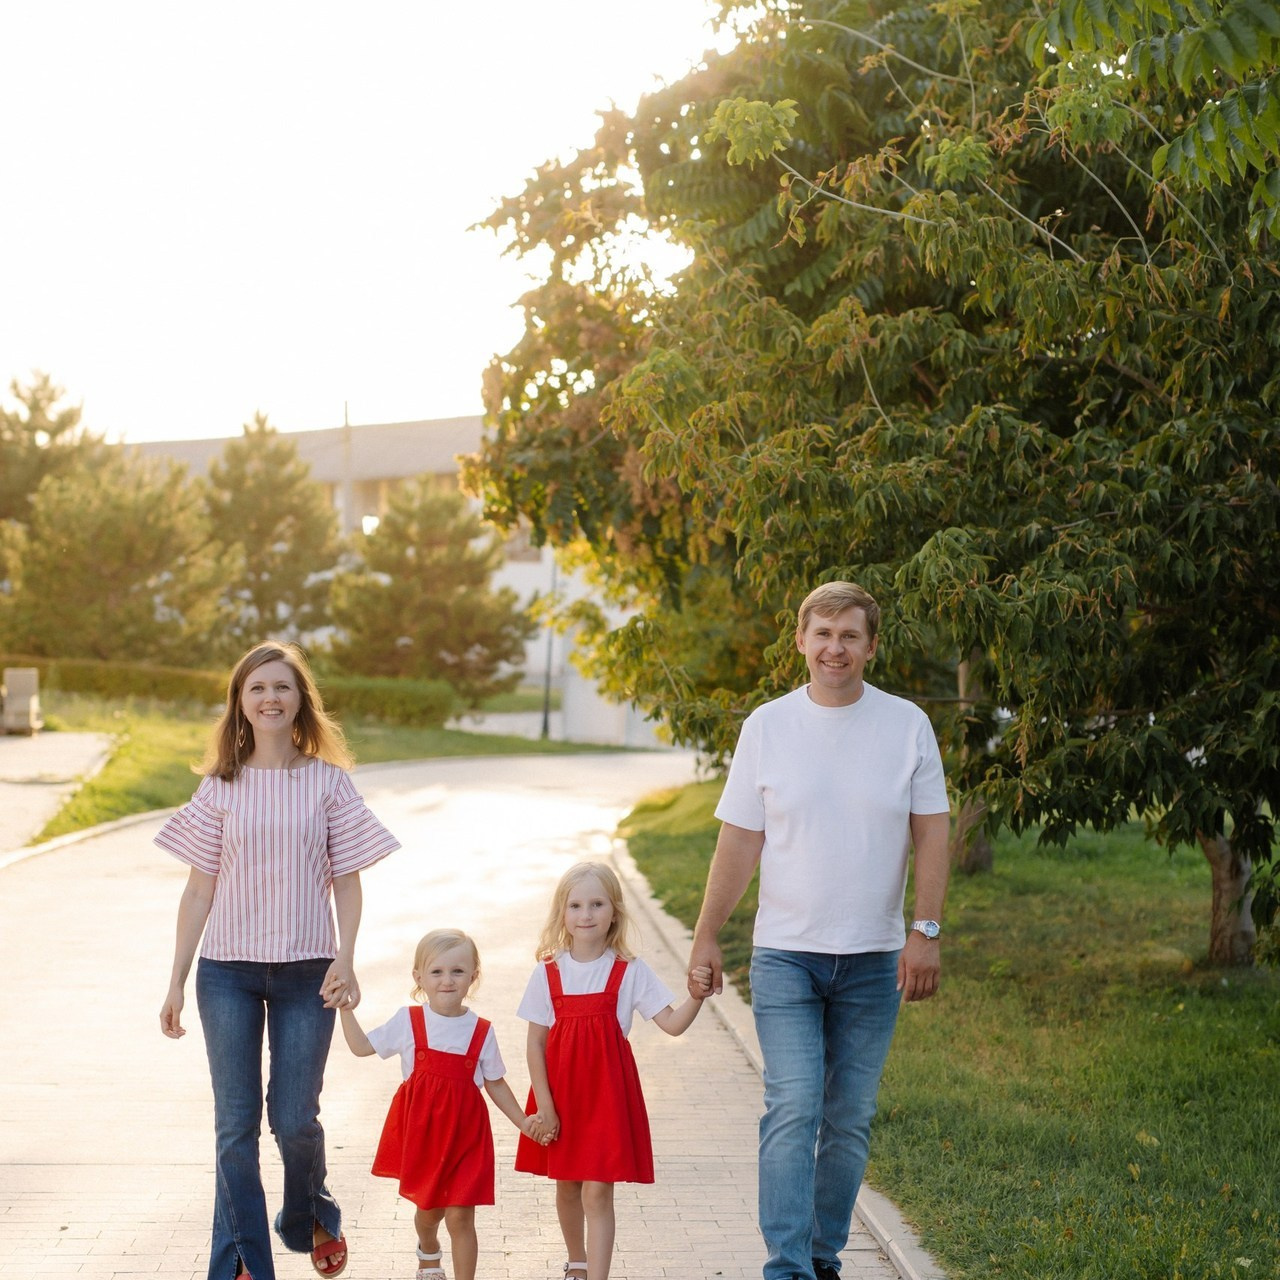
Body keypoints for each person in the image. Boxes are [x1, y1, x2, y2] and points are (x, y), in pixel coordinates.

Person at [687, 581, 951, 1280]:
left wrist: (925, 929)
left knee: (849, 1118)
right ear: (801, 640)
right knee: (794, 1106)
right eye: (824, 634)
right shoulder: (768, 727)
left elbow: (932, 832)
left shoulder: (906, 725)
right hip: (785, 957)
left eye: (851, 636)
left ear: (870, 646)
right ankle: (787, 1268)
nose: (836, 648)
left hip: (873, 959)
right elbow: (740, 840)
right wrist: (707, 933)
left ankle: (822, 1257)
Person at [158, 640, 400, 1280]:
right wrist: (177, 981)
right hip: (226, 974)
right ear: (241, 702)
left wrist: (346, 960)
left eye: (282, 688)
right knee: (235, 1125)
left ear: (300, 703)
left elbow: (347, 880)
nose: (270, 697)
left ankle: (310, 1212)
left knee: (294, 1119)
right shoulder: (220, 787)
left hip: (308, 974)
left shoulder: (328, 784)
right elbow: (198, 888)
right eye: (257, 687)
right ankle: (243, 1262)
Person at [514, 861, 712, 1280]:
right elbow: (535, 1043)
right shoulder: (548, 971)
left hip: (605, 1098)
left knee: (598, 1190)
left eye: (597, 904)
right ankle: (577, 1263)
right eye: (576, 905)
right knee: (566, 1185)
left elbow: (672, 1024)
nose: (586, 914)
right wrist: (544, 1106)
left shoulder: (630, 970)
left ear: (614, 912)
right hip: (561, 1096)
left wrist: (697, 997)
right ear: (562, 914)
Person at [339, 928, 545, 1280]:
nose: (447, 980)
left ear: (473, 977)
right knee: (430, 1212)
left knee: (461, 1215)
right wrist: (345, 1009)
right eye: (437, 972)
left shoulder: (481, 1030)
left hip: (467, 1135)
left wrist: (524, 1122)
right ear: (419, 977)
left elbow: (495, 1083)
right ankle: (428, 1249)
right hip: (424, 1135)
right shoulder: (409, 1021)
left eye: (458, 971)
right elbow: (362, 1047)